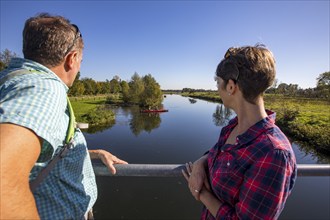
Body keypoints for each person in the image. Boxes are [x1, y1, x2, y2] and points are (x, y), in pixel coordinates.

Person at [0, 13, 127, 219]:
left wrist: (92, 153)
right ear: (71, 59)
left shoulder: (11, 80)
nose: (79, 69)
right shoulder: (42, 90)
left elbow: (40, 154)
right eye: (81, 61)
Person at [182, 44, 297, 219]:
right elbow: (218, 153)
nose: (217, 89)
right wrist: (200, 163)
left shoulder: (274, 153)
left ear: (230, 86)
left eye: (218, 82)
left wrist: (201, 193)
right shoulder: (234, 126)